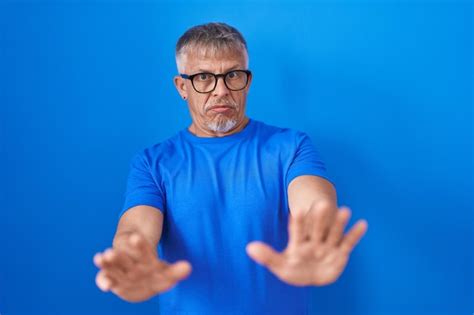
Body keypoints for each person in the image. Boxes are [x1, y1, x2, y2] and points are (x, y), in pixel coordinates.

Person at [93, 22, 368, 314]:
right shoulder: (153, 163)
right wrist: (130, 259)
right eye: (203, 77)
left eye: (233, 75)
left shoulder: (291, 147)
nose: (220, 90)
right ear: (182, 86)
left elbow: (314, 203)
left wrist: (317, 236)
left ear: (247, 81)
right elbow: (136, 230)